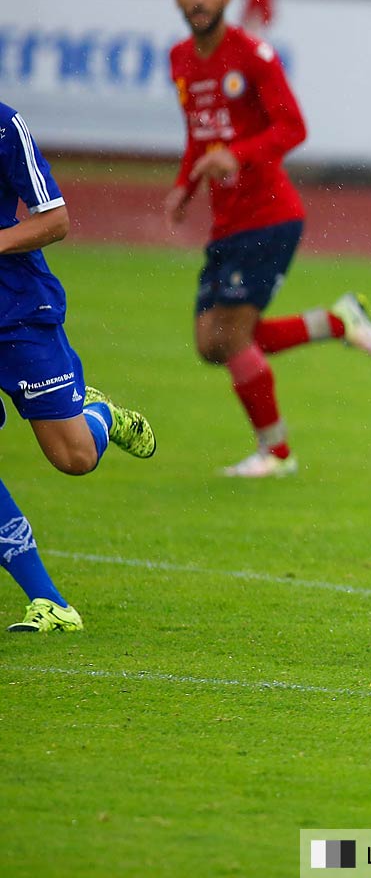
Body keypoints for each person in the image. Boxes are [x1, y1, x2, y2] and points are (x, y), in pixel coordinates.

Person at [166, 0, 371, 479]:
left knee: (230, 337)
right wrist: (185, 186)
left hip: (269, 215)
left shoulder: (252, 56)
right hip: (229, 221)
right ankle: (339, 321)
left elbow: (293, 128)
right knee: (211, 343)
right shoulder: (180, 58)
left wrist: (237, 155)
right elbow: (197, 136)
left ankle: (277, 454)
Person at [0, 100, 157, 632]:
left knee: (73, 458)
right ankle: (50, 603)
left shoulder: (4, 124)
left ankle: (101, 417)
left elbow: (56, 221)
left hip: (16, 310)